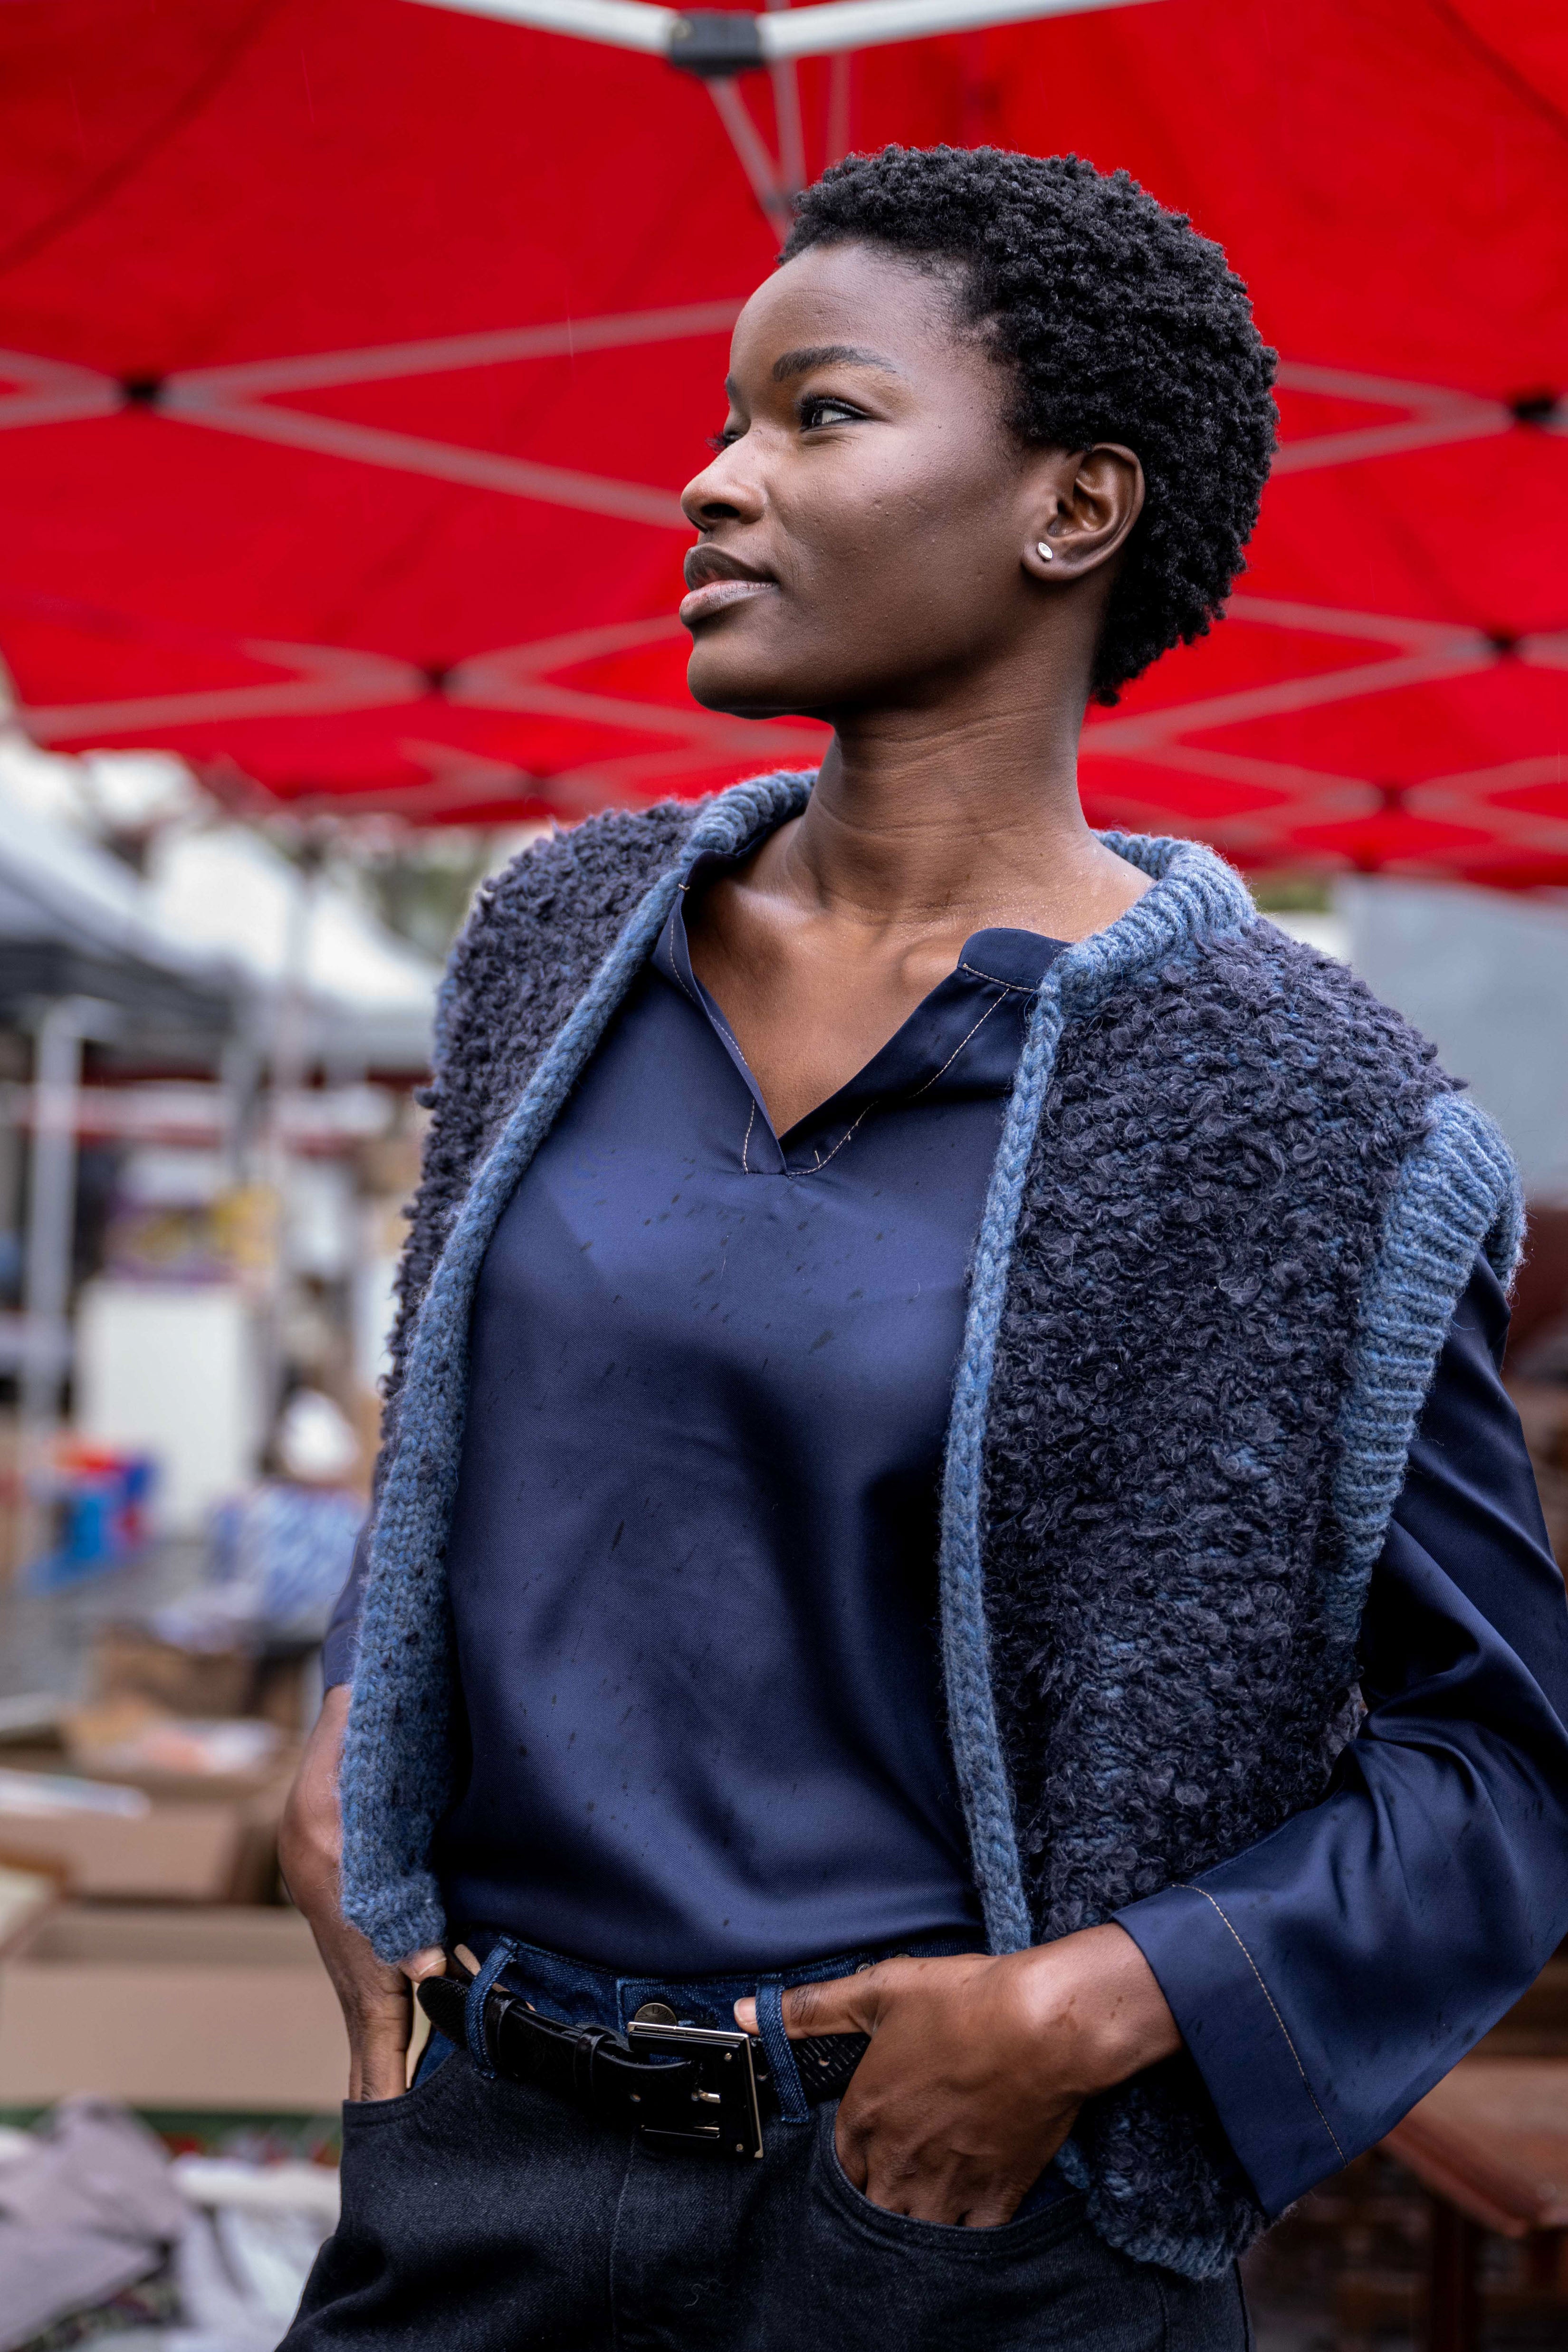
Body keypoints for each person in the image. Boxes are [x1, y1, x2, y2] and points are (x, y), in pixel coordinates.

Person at [279, 146, 1568, 2351]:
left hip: (946, 2206)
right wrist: (340, 1751)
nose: (711, 481)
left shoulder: (1310, 1116)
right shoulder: (555, 950)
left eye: (817, 415)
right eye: (723, 416)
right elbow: (473, 1452)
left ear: (1075, 508)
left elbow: (1495, 1774)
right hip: (484, 2150)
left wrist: (1078, 2009)